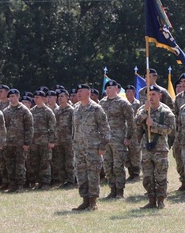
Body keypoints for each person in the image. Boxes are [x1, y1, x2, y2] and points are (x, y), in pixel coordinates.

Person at [134, 86, 176, 209]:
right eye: (149, 95)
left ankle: (161, 200)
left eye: (153, 94)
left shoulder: (166, 112)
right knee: (147, 176)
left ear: (159, 96)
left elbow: (169, 130)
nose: (151, 97)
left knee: (161, 176)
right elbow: (136, 122)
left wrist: (153, 125)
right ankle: (151, 200)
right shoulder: (143, 109)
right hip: (146, 148)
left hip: (160, 149)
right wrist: (144, 112)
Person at [71, 83, 110, 211]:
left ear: (88, 93)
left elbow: (105, 129)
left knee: (93, 175)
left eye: (81, 91)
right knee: (81, 174)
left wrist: (102, 146)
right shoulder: (76, 108)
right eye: (78, 91)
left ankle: (93, 202)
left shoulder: (96, 109)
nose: (79, 93)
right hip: (79, 148)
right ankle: (85, 200)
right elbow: (74, 129)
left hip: (93, 148)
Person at [101, 80, 134, 199]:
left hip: (119, 138)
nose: (109, 90)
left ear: (117, 89)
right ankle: (112, 189)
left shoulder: (123, 103)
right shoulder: (102, 103)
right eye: (107, 88)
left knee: (118, 165)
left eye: (111, 88)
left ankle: (120, 190)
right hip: (106, 140)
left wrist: (128, 137)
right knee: (107, 165)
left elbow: (131, 121)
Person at [2, 89, 34, 193]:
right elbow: (3, 128)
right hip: (8, 143)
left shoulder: (24, 110)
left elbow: (29, 127)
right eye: (10, 97)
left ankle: (20, 185)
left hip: (20, 143)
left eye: (14, 96)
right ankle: (12, 185)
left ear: (18, 97)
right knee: (10, 165)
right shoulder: (6, 111)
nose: (12, 98)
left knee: (20, 165)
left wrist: (27, 142)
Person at [29, 90, 57, 190]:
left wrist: (51, 141)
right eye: (35, 97)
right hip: (34, 142)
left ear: (43, 99)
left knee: (45, 162)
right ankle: (37, 182)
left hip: (45, 142)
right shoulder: (31, 111)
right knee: (34, 162)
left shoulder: (48, 111)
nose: (36, 99)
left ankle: (45, 182)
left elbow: (53, 127)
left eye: (38, 97)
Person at [53, 89, 76, 188]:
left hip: (69, 140)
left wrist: (74, 138)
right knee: (60, 161)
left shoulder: (71, 110)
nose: (60, 98)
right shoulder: (56, 110)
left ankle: (71, 181)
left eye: (62, 96)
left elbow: (74, 126)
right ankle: (63, 180)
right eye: (59, 96)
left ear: (67, 97)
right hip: (58, 140)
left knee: (69, 161)